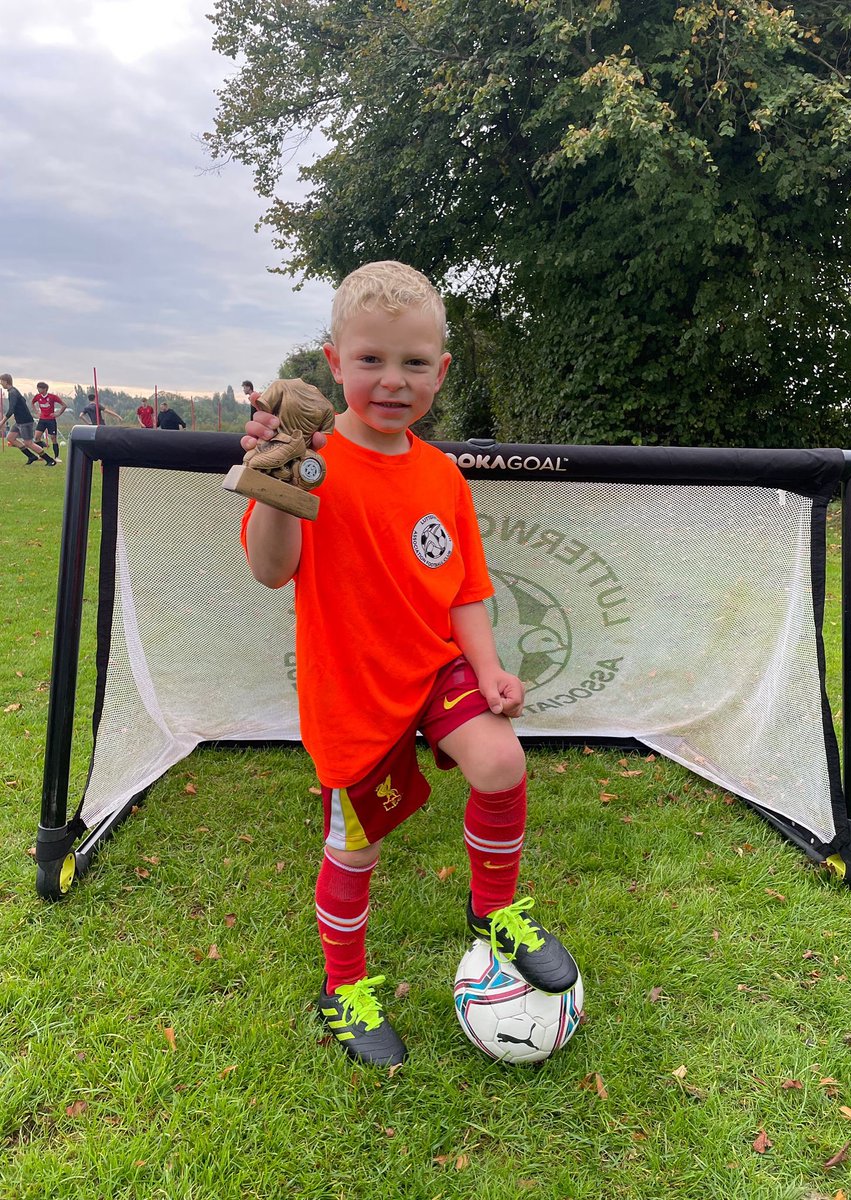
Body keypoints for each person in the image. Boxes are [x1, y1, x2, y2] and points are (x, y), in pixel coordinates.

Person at [241, 261, 577, 1067]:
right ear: (334, 362)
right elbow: (268, 567)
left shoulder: (440, 475)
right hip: (352, 692)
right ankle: (343, 989)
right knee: (356, 847)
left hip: (433, 671)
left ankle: (493, 906)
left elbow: (462, 589)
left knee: (500, 760)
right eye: (371, 361)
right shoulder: (308, 455)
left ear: (441, 371)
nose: (393, 381)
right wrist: (280, 474)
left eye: (414, 364)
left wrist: (489, 669)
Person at [0, 373, 57, 465]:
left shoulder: (12, 392)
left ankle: (50, 460)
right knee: (10, 438)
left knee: (29, 443)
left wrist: (2, 421)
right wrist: (18, 412)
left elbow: (11, 409)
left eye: (1, 381)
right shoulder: (13, 391)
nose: (0, 383)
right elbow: (23, 400)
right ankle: (31, 456)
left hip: (25, 421)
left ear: (5, 381)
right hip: (19, 421)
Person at [31, 382, 67, 461]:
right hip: (42, 420)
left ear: (45, 389)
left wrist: (58, 414)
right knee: (36, 437)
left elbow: (64, 405)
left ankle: (56, 457)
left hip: (51, 420)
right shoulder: (37, 397)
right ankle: (41, 455)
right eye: (37, 388)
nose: (38, 389)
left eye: (39, 388)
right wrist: (37, 411)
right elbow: (32, 403)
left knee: (53, 438)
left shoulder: (52, 397)